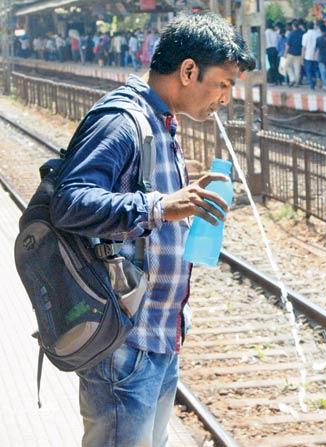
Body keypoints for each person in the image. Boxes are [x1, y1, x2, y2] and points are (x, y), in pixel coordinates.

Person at [49, 13, 255, 447]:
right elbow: (69, 203)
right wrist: (162, 205)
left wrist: (180, 200)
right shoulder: (122, 120)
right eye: (223, 84)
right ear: (188, 71)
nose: (225, 98)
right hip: (126, 343)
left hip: (160, 337)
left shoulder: (162, 121)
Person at [301, 21, 320, 89]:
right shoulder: (318, 34)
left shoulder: (305, 35)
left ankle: (312, 84)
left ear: (307, 27)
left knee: (308, 71)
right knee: (314, 70)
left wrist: (302, 58)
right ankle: (315, 80)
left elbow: (304, 47)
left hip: (307, 56)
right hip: (316, 56)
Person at [285, 19, 304, 87]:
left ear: (293, 26)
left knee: (286, 65)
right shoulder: (302, 33)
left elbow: (288, 45)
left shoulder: (291, 33)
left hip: (291, 53)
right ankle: (296, 82)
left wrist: (285, 53)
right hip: (299, 53)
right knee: (297, 68)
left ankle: (292, 79)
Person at [265, 20, 279, 84]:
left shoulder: (266, 32)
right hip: (275, 49)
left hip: (269, 49)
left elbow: (267, 42)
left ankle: (271, 79)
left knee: (270, 65)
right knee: (275, 65)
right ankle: (276, 79)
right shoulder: (275, 32)